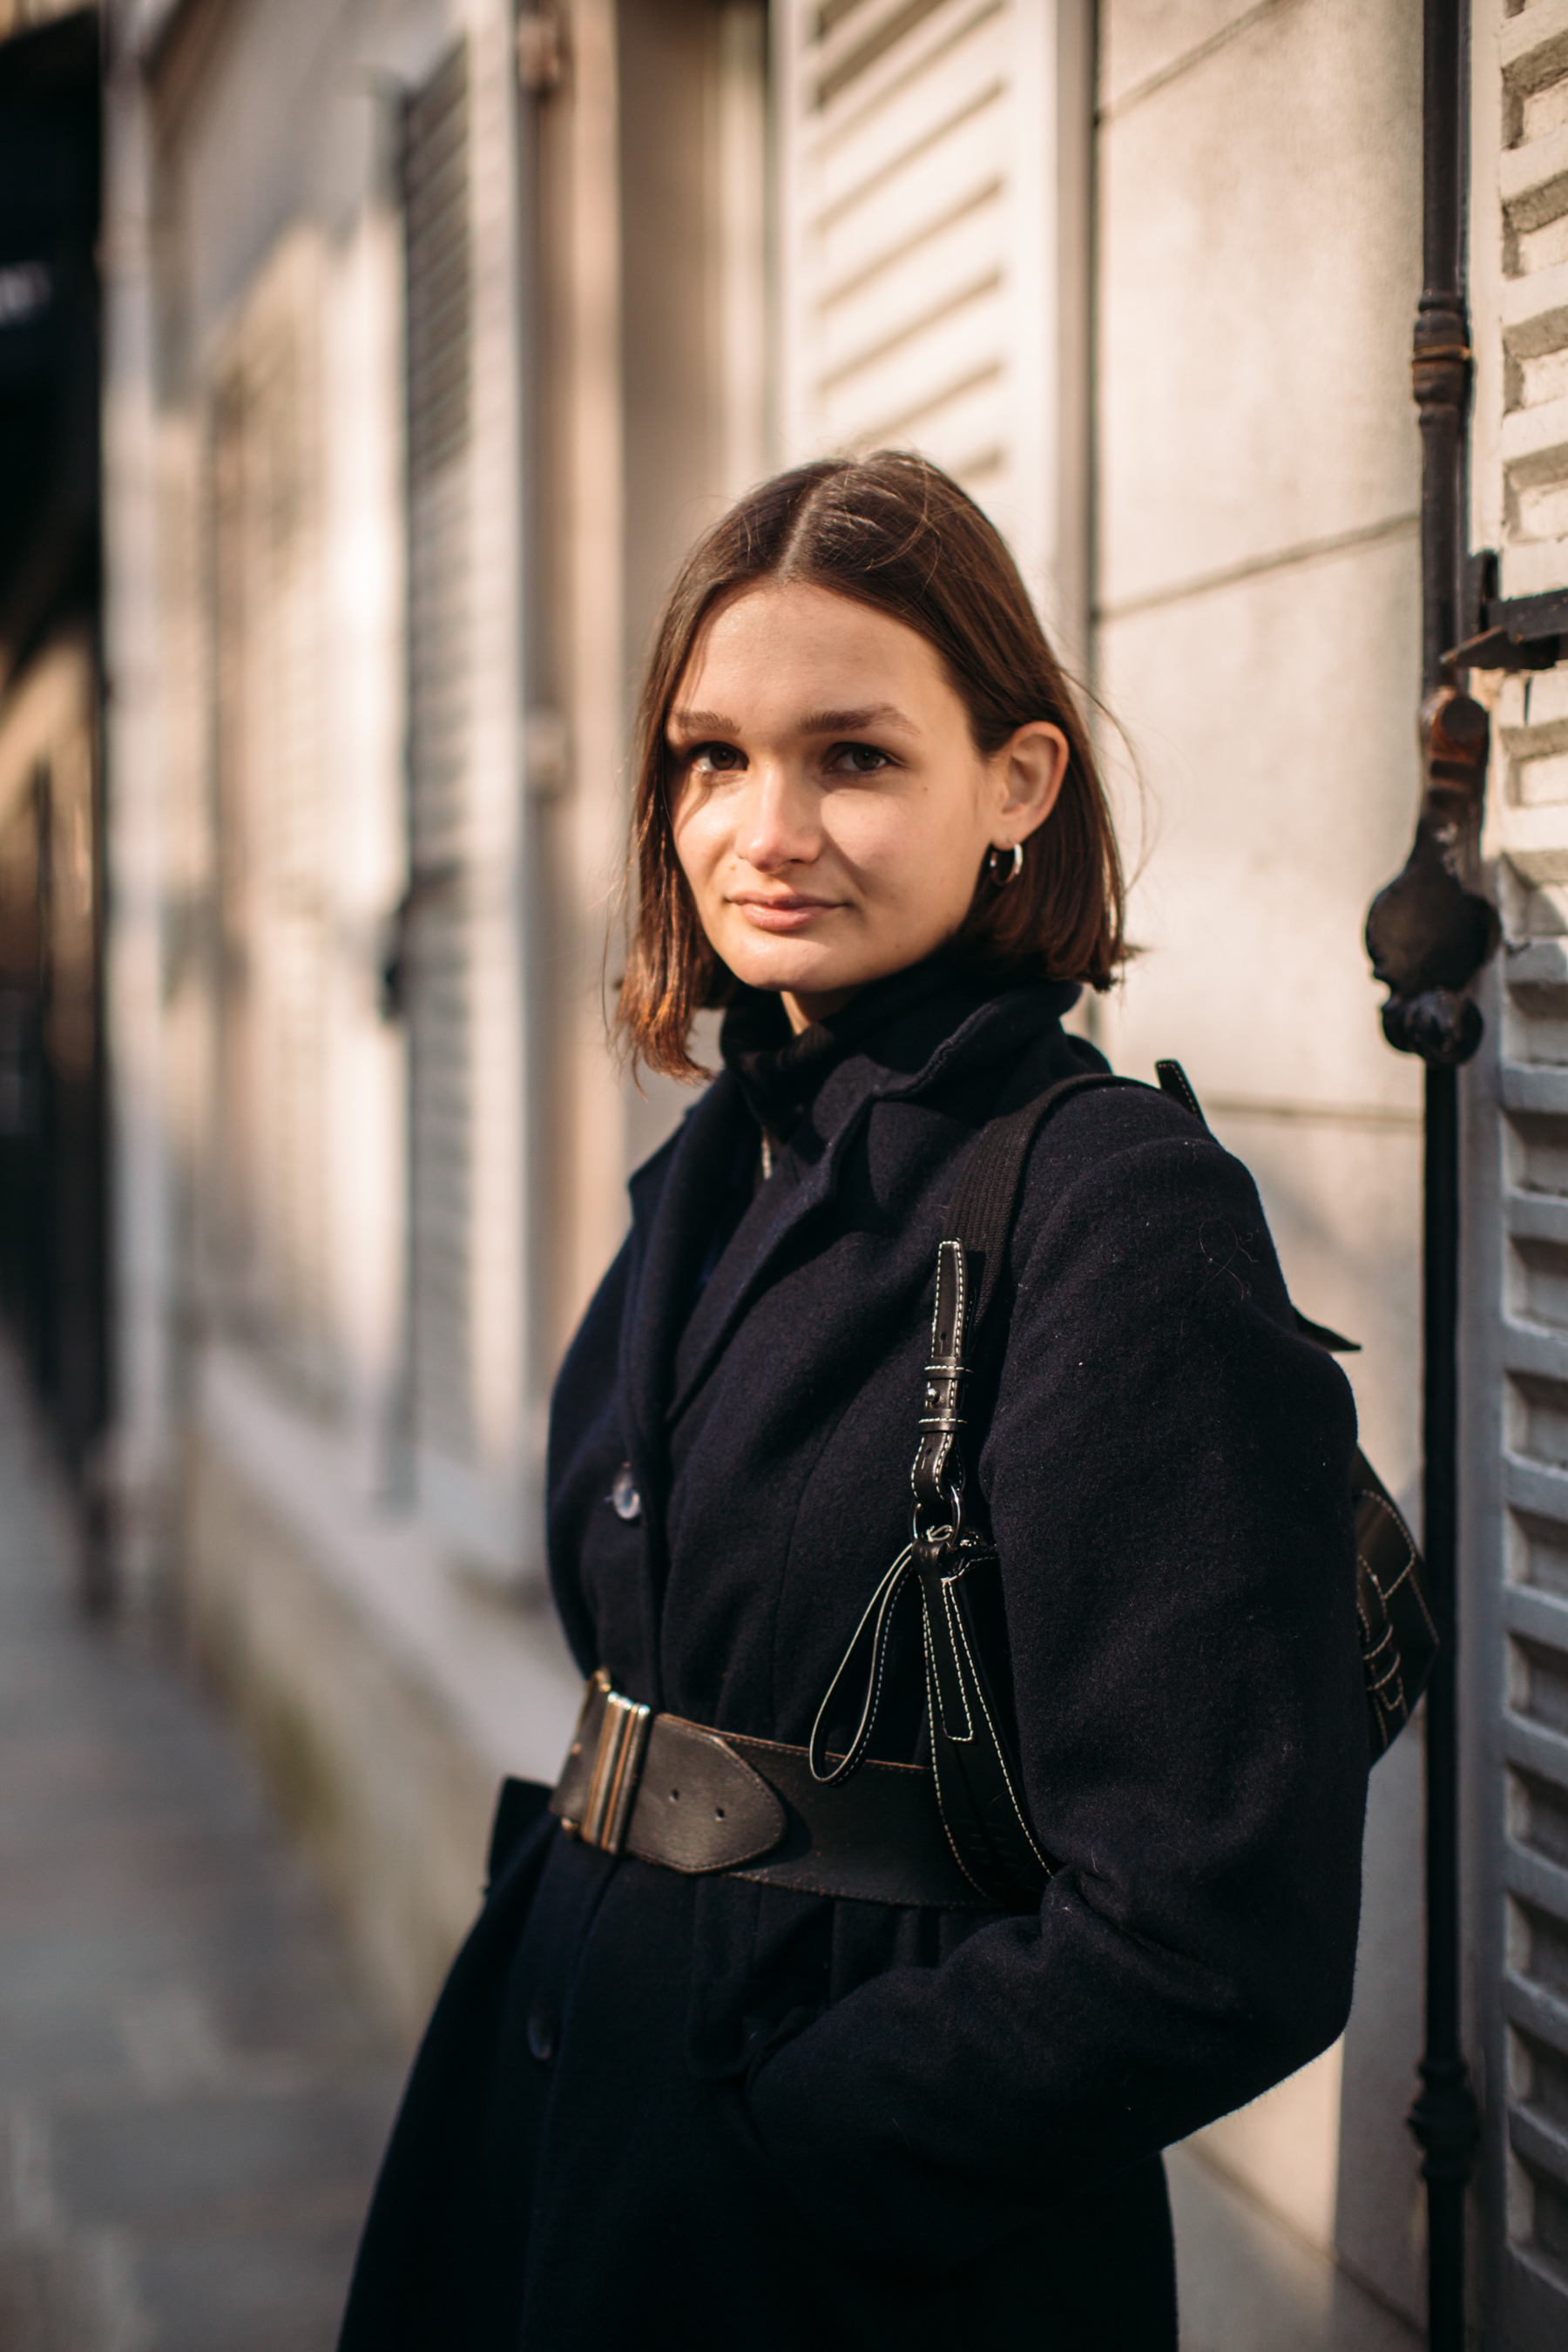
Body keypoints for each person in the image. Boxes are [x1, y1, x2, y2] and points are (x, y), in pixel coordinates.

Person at [337, 452, 1368, 2351]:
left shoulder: (1112, 1210)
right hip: (557, 2123)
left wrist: (802, 2158)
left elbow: (1220, 1929)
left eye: (855, 758)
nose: (765, 826)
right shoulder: (724, 1165)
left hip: (843, 2251)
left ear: (1017, 786)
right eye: (712, 757)